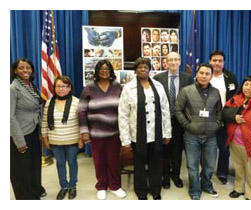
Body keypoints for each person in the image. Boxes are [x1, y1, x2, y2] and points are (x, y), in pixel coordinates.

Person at [118, 57, 171, 200]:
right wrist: (125, 140)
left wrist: (167, 133)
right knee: (139, 163)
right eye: (140, 67)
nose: (143, 69)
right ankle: (141, 191)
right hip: (137, 134)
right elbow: (123, 115)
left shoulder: (158, 86)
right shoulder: (128, 88)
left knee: (156, 162)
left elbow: (165, 110)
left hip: (156, 133)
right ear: (135, 70)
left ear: (149, 69)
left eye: (146, 67)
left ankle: (155, 189)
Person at [78, 60, 126, 200]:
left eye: (107, 69)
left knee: (114, 160)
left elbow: (125, 108)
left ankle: (115, 186)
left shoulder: (118, 87)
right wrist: (84, 131)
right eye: (101, 69)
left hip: (115, 133)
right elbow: (81, 111)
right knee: (99, 161)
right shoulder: (89, 88)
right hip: (95, 133)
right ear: (97, 71)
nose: (104, 71)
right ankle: (101, 186)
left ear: (111, 71)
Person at [175, 63, 222, 200]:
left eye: (207, 74)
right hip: (192, 135)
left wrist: (217, 124)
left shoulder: (216, 92)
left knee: (209, 165)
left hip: (210, 135)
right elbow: (178, 109)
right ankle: (195, 189)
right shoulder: (186, 91)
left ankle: (206, 185)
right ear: (197, 74)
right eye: (201, 73)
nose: (204, 76)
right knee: (192, 165)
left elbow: (219, 111)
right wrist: (187, 125)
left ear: (211, 76)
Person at [153, 52, 193, 189]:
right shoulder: (158, 78)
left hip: (180, 120)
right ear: (166, 62)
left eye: (176, 59)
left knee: (177, 150)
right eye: (171, 60)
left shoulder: (188, 78)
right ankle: (165, 176)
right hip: (164, 119)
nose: (174, 62)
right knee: (164, 149)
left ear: (180, 61)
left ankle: (175, 176)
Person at [41, 76, 83, 200]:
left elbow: (82, 122)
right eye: (58, 86)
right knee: (60, 164)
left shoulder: (76, 102)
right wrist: (45, 139)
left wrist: (81, 139)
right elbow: (44, 122)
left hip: (72, 140)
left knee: (72, 162)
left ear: (69, 88)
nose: (60, 89)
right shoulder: (49, 102)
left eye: (64, 86)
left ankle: (72, 186)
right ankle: (64, 186)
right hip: (55, 140)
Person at [10, 58, 46, 200]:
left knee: (34, 163)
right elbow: (9, 117)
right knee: (21, 168)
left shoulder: (31, 86)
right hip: (20, 133)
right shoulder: (13, 89)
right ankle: (25, 197)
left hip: (34, 129)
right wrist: (19, 141)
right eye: (21, 68)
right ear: (15, 71)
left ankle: (35, 189)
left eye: (28, 68)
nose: (25, 71)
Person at [209, 50, 239, 184]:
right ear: (210, 61)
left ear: (223, 62)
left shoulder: (230, 77)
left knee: (224, 148)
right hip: (207, 119)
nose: (217, 63)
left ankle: (222, 172)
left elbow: (237, 98)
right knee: (207, 148)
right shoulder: (204, 74)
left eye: (220, 61)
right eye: (214, 60)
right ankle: (206, 172)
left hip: (225, 119)